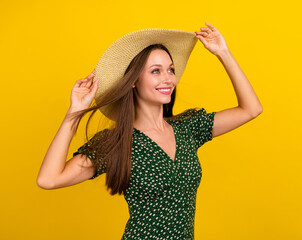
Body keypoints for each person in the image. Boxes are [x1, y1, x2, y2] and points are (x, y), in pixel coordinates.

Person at [37, 22, 262, 240]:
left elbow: (251, 109)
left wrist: (223, 53)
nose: (168, 79)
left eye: (171, 70)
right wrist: (75, 112)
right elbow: (49, 179)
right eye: (156, 71)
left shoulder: (188, 129)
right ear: (134, 80)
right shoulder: (117, 143)